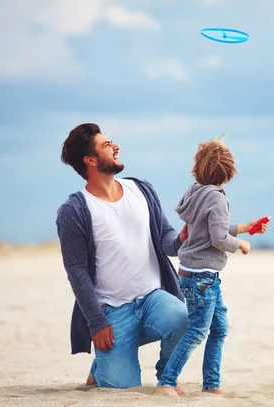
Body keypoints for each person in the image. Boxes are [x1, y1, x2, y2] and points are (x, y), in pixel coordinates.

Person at [55, 123, 190, 390]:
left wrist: (181, 240)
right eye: (107, 145)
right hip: (112, 311)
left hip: (153, 298)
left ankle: (167, 377)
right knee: (120, 387)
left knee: (184, 318)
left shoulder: (141, 190)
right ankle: (103, 365)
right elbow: (76, 270)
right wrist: (96, 322)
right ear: (90, 160)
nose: (115, 147)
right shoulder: (74, 210)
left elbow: (164, 236)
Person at [156, 134, 269, 396]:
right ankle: (166, 381)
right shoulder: (217, 198)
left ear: (198, 169)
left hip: (198, 275)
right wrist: (240, 244)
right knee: (197, 331)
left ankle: (211, 385)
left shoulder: (195, 193)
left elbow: (208, 229)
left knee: (219, 329)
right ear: (228, 172)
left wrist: (244, 227)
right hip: (202, 278)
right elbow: (219, 238)